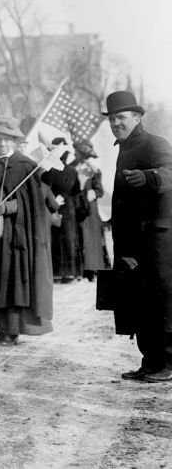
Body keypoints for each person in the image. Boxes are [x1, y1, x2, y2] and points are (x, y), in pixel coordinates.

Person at [101, 91, 172, 382]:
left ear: (137, 117)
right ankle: (150, 361)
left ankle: (167, 363)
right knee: (140, 300)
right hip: (133, 241)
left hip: (157, 239)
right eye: (113, 118)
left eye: (122, 117)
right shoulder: (124, 147)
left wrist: (150, 177)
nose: (116, 123)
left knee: (162, 299)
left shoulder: (155, 143)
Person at [0, 116, 53, 345]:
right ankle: (3, 328)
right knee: (0, 279)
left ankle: (12, 330)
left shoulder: (24, 166)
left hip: (17, 236)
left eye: (5, 140)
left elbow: (33, 203)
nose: (1, 144)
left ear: (14, 141)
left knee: (14, 281)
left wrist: (9, 207)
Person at [43, 137, 82, 283]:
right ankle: (65, 272)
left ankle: (63, 272)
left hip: (60, 207)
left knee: (62, 239)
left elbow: (75, 190)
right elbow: (76, 190)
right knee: (63, 239)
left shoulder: (53, 170)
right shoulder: (64, 171)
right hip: (60, 207)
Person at [71, 140, 108, 279]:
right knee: (79, 237)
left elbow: (100, 190)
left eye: (77, 152)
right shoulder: (72, 166)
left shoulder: (94, 168)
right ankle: (81, 269)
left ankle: (93, 268)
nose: (75, 154)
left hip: (89, 208)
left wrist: (94, 192)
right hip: (76, 205)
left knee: (90, 238)